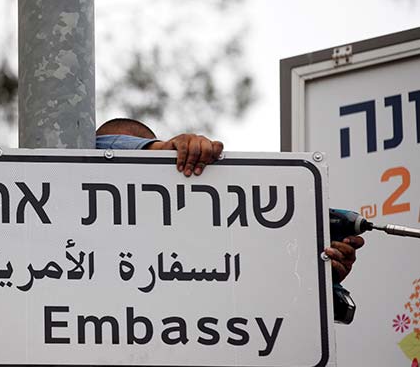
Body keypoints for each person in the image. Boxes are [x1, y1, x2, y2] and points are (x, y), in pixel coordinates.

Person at [95, 118, 364, 284]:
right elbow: (96, 148)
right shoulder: (83, 246)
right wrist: (156, 152)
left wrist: (317, 284)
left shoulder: (196, 246)